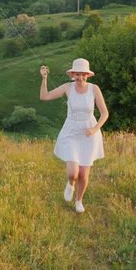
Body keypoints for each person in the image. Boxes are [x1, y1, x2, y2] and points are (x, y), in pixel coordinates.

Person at [39, 58, 109, 213]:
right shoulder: (67, 87)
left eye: (83, 74)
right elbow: (44, 97)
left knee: (84, 174)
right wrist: (44, 78)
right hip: (71, 131)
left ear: (87, 75)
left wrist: (95, 128)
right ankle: (70, 184)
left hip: (89, 132)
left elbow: (105, 113)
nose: (80, 77)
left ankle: (79, 200)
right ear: (73, 74)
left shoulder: (94, 89)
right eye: (77, 74)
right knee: (73, 172)